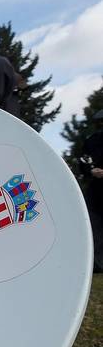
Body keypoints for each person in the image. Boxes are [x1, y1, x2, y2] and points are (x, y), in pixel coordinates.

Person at [81, 109, 103, 272]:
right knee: (94, 225)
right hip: (96, 191)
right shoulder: (91, 141)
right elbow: (83, 161)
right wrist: (90, 170)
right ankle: (96, 263)